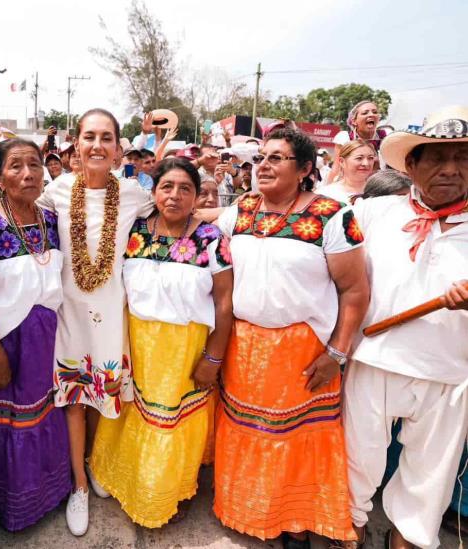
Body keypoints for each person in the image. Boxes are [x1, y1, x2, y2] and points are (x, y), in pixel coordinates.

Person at [213, 128, 370, 547]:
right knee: (250, 432)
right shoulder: (240, 211)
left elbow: (354, 290)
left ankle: (296, 518)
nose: (263, 165)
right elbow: (205, 232)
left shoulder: (333, 215)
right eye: (261, 157)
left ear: (304, 169)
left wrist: (335, 353)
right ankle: (249, 510)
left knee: (295, 439)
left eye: (277, 158)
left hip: (303, 350)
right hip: (244, 349)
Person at [345, 106, 468, 549]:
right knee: (357, 461)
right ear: (411, 166)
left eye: (463, 158)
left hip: (449, 371)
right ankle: (348, 528)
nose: (451, 169)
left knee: (429, 474)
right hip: (373, 358)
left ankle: (409, 540)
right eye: (437, 157)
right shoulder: (374, 211)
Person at [89, 158, 233, 527]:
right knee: (134, 415)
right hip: (136, 342)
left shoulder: (210, 239)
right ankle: (130, 478)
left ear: (197, 196)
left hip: (184, 349)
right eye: (167, 187)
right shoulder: (133, 231)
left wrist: (213, 359)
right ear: (154, 193)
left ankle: (165, 493)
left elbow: (223, 302)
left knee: (172, 423)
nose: (175, 195)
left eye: (185, 188)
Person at [37, 108, 153, 536]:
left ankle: (98, 464)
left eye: (106, 137)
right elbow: (18, 213)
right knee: (74, 398)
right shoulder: (57, 190)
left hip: (110, 312)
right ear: (76, 146)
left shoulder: (135, 195)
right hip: (69, 311)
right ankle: (79, 486)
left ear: (119, 149)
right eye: (90, 137)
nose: (97, 145)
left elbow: (177, 213)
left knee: (105, 395)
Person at [0, 138, 71, 531]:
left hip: (46, 338)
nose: (27, 174)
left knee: (46, 414)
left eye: (34, 165)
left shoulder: (51, 220)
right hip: (7, 341)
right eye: (15, 166)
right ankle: (14, 504)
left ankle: (50, 491)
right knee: (8, 425)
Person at [330, 101, 386, 181]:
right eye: (365, 113)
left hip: (380, 185)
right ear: (354, 121)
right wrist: (327, 190)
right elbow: (336, 168)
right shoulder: (345, 138)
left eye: (375, 112)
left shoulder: (386, 137)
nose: (371, 115)